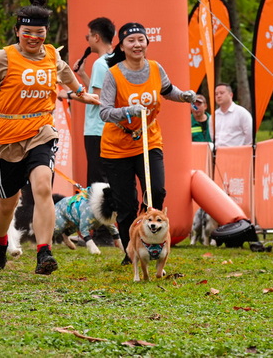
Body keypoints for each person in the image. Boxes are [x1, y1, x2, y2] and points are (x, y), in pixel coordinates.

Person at [0, 0, 99, 276]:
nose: (33, 38)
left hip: (41, 132)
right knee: (8, 202)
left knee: (42, 186)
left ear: (46, 34)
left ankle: (44, 252)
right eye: (27, 32)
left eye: (39, 33)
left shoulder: (52, 54)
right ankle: (0, 241)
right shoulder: (4, 57)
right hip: (6, 136)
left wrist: (81, 93)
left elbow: (65, 72)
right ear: (18, 31)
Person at [99, 22, 195, 263]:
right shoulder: (114, 74)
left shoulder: (155, 68)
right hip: (117, 147)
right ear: (121, 45)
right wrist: (128, 110)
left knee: (156, 192)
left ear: (147, 43)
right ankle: (130, 251)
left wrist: (183, 96)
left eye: (141, 39)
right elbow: (104, 112)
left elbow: (167, 89)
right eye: (131, 40)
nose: (137, 44)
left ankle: (150, 239)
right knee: (126, 205)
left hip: (149, 139)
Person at [74, 17, 116, 185]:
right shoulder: (116, 59)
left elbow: (97, 99)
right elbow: (100, 93)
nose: (88, 41)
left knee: (97, 182)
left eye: (88, 36)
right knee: (109, 177)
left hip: (97, 129)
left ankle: (99, 212)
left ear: (96, 37)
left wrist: (71, 94)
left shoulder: (100, 63)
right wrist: (83, 75)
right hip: (109, 127)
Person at [213, 83, 253, 147]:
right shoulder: (214, 116)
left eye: (222, 93)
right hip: (218, 154)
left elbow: (250, 137)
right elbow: (212, 136)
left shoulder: (242, 113)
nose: (218, 96)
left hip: (237, 153)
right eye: (216, 94)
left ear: (231, 95)